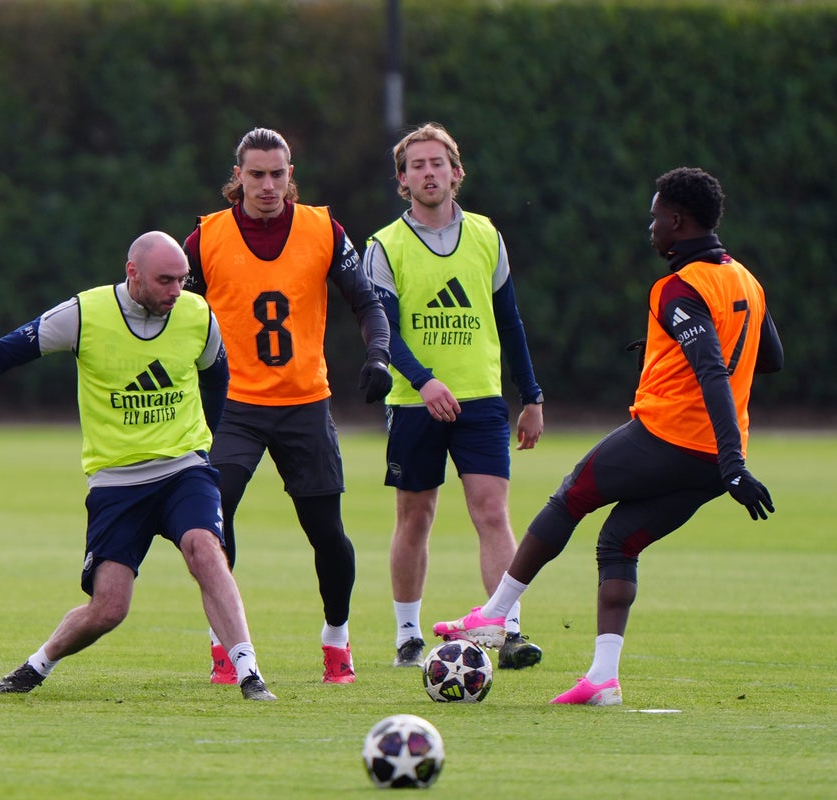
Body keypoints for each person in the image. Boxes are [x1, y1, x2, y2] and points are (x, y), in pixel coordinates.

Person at [0, 231, 277, 701]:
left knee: (205, 549)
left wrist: (202, 442)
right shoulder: (85, 314)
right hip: (116, 481)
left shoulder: (197, 314)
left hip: (183, 468)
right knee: (109, 608)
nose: (176, 290)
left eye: (182, 280)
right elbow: (3, 352)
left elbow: (217, 379)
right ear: (132, 273)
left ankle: (249, 672)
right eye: (165, 280)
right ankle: (39, 663)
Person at [433, 166, 782, 705]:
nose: (651, 227)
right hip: (710, 464)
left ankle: (495, 614)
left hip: (670, 438)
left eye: (656, 217)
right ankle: (602, 679)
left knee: (570, 496)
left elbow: (712, 368)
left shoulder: (678, 287)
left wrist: (734, 461)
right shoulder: (746, 280)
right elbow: (769, 357)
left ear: (677, 220)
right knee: (619, 542)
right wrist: (676, 367)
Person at [183, 127, 392, 685]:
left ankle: (337, 637)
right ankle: (226, 644)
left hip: (304, 403)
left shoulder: (323, 229)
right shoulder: (206, 238)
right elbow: (172, 311)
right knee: (212, 520)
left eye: (278, 174)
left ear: (290, 174)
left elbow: (366, 302)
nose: (268, 185)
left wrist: (378, 355)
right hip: (233, 406)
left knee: (327, 532)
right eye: (256, 174)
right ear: (238, 177)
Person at [362, 122, 545, 671]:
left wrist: (531, 395)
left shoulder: (487, 235)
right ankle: (408, 635)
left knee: (492, 511)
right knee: (415, 516)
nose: (428, 172)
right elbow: (382, 332)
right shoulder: (384, 246)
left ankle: (507, 630)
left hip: (481, 399)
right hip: (414, 402)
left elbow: (509, 321)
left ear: (456, 172)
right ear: (402, 180)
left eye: (437, 163)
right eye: (416, 165)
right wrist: (424, 381)